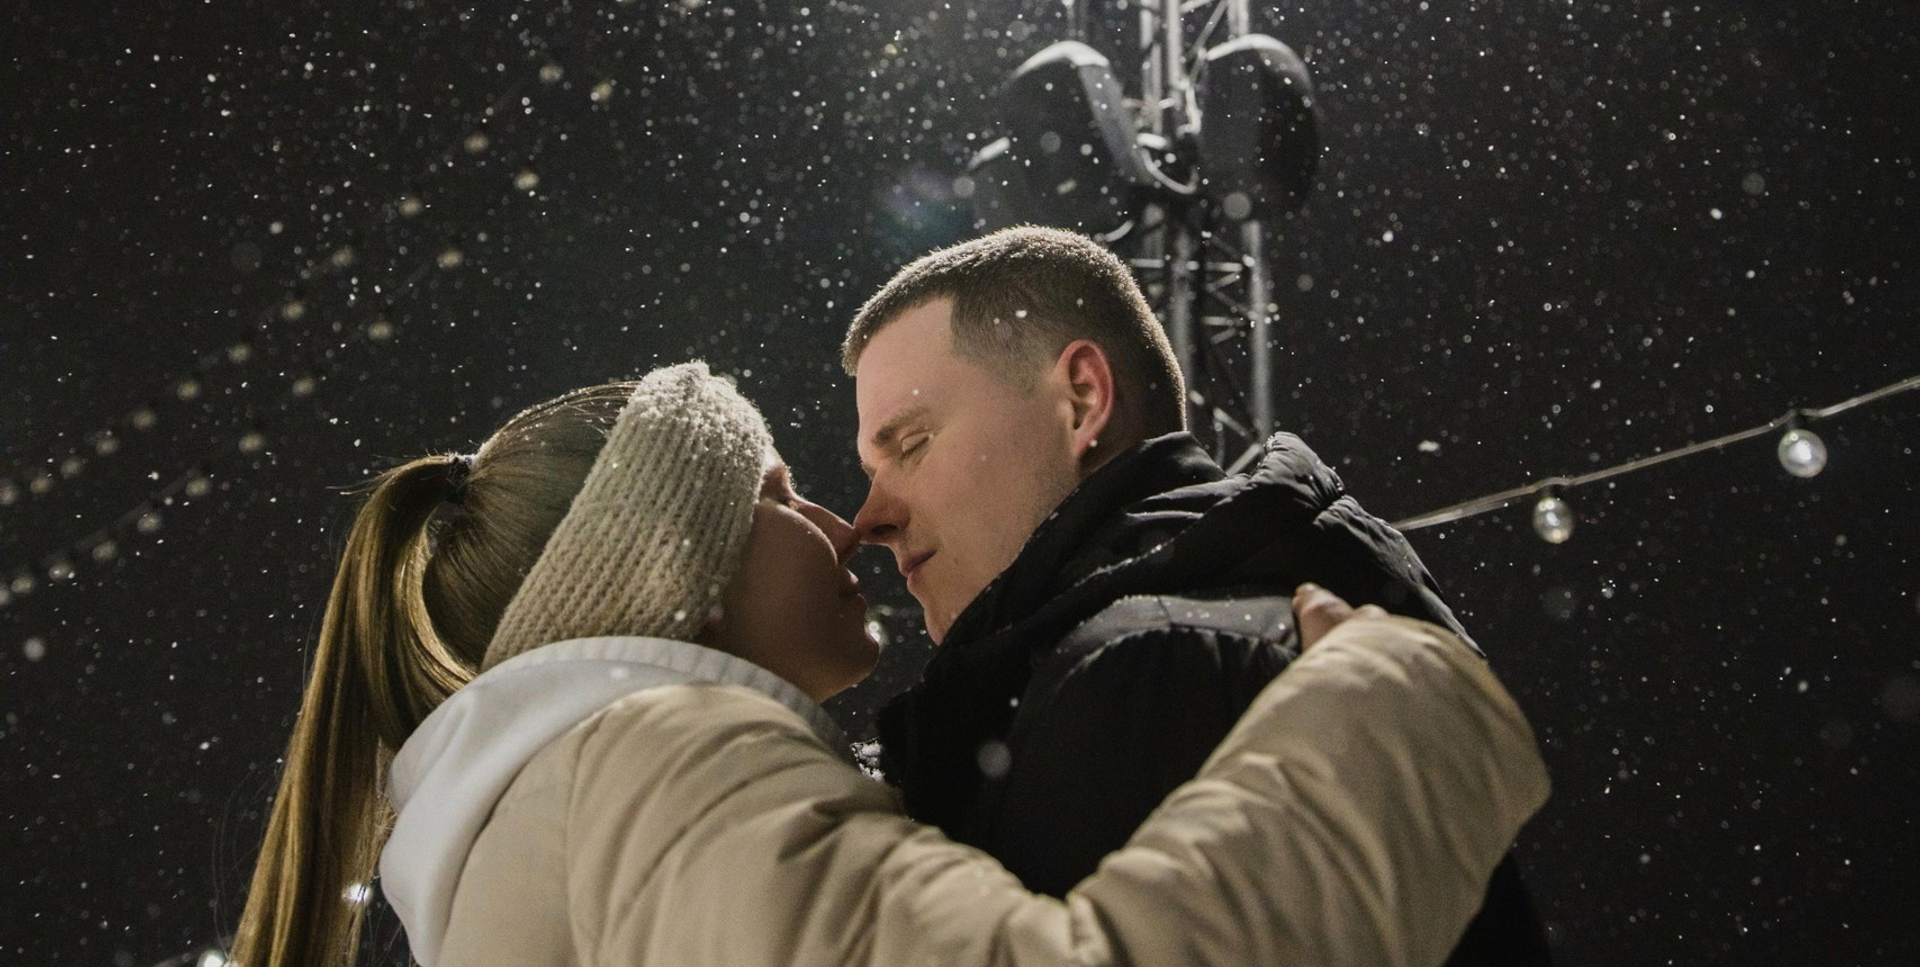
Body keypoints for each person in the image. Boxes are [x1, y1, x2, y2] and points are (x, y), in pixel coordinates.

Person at [232, 360, 1549, 967]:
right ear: (667, 566)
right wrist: (1392, 702)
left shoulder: (548, 822)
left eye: (900, 450)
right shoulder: (655, 760)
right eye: (782, 490)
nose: (845, 522)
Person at [844, 225, 1554, 960]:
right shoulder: (1243, 626)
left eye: (911, 444)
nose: (870, 520)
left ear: (1082, 399)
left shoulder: (1149, 669)